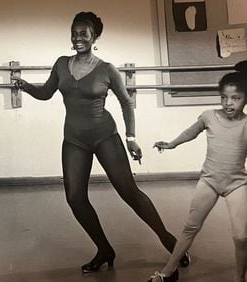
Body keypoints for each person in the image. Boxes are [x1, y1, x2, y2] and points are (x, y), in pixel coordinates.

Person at [14, 11, 188, 273]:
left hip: (105, 136)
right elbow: (46, 93)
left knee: (129, 192)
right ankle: (104, 249)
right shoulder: (61, 64)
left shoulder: (106, 69)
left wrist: (131, 138)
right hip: (74, 140)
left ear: (94, 37)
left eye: (83, 33)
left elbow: (126, 102)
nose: (77, 38)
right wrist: (26, 86)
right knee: (74, 197)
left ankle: (169, 240)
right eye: (74, 33)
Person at [148, 62, 247, 282]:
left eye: (236, 98)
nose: (228, 103)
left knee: (241, 236)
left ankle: (240, 278)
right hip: (210, 181)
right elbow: (191, 132)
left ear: (245, 99)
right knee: (190, 227)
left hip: (237, 184)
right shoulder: (209, 116)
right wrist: (172, 144)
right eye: (224, 97)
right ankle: (167, 272)